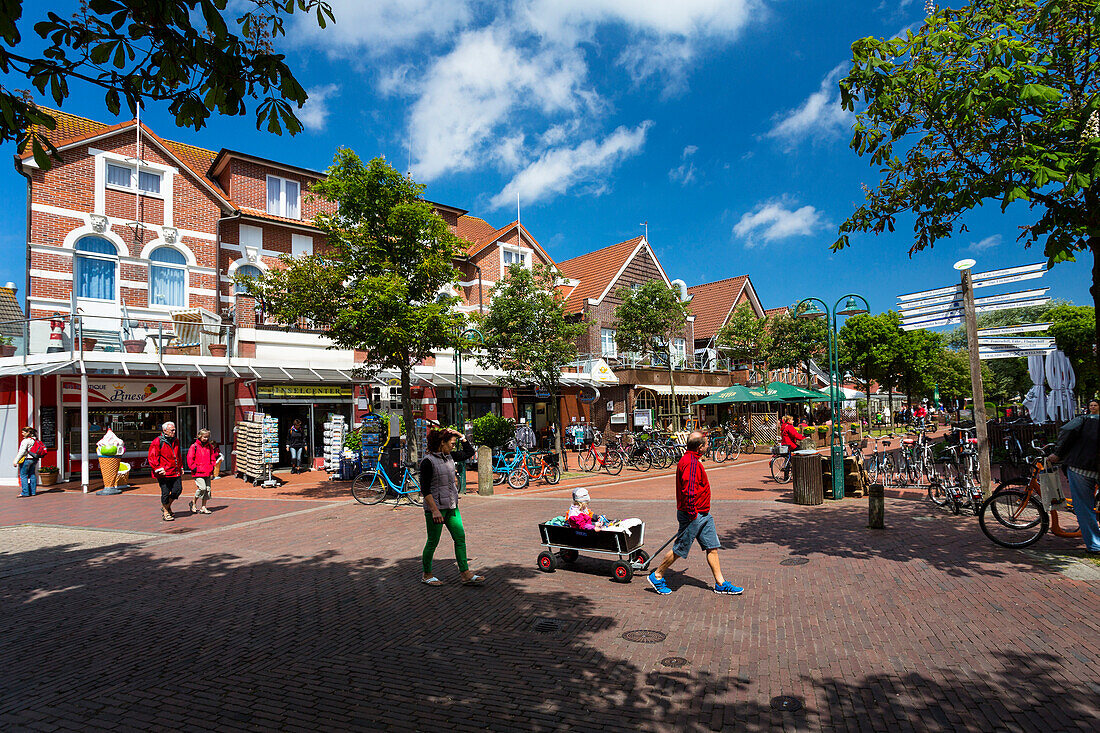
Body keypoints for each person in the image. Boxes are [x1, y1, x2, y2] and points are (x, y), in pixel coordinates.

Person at [647, 430, 744, 596]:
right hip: (694, 514)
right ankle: (657, 575)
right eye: (706, 444)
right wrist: (692, 513)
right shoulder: (690, 463)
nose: (708, 446)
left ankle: (720, 583)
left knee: (712, 546)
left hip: (704, 514)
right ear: (699, 447)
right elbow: (688, 490)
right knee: (680, 548)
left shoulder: (692, 460)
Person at [420, 427, 485, 586]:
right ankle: (427, 574)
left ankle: (465, 573)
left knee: (460, 538)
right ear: (442, 443)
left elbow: (469, 452)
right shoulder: (428, 462)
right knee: (433, 542)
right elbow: (425, 489)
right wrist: (434, 510)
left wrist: (461, 436)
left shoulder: (450, 457)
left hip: (451, 506)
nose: (454, 446)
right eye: (452, 443)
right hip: (436, 509)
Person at [1047, 398, 1100, 554]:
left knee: (1084, 507)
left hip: (1081, 467)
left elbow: (1067, 432)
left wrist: (1058, 454)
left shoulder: (1082, 420)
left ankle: (1095, 544)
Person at [148, 421, 184, 521]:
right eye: (172, 430)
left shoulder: (176, 440)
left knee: (178, 490)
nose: (174, 431)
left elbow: (178, 455)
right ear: (165, 431)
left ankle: (166, 506)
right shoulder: (158, 441)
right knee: (165, 492)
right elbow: (152, 456)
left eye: (174, 429)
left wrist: (180, 467)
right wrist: (158, 468)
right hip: (164, 472)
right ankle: (165, 512)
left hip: (175, 471)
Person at [186, 429, 221, 515]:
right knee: (202, 488)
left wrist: (212, 466)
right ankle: (193, 502)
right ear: (199, 436)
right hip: (198, 471)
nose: (206, 439)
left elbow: (212, 457)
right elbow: (190, 458)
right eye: (204, 437)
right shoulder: (194, 446)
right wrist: (194, 468)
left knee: (207, 490)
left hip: (207, 471)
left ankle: (203, 507)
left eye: (207, 437)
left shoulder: (209, 446)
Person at [13, 426, 44, 497]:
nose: (22, 433)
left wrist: (16, 460)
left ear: (28, 432)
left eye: (23, 432)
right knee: (32, 474)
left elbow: (22, 452)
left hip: (26, 459)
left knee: (23, 475)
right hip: (34, 459)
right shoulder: (35, 440)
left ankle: (25, 492)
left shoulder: (26, 441)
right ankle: (33, 492)